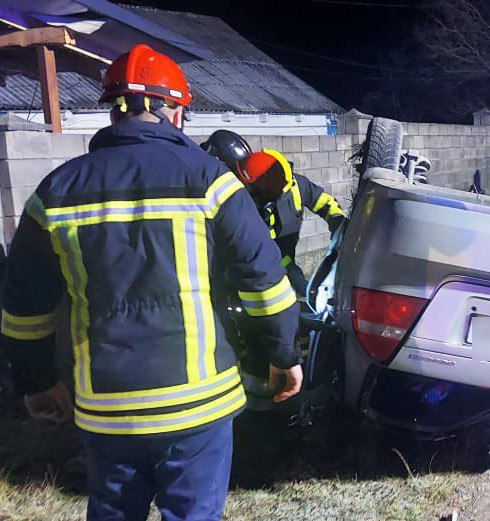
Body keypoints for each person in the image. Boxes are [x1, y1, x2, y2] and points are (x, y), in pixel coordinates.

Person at [0, 44, 301, 521]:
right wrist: (284, 357)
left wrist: (37, 382)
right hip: (197, 405)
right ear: (176, 111)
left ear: (113, 110)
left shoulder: (54, 193)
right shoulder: (212, 181)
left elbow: (24, 308)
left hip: (106, 408)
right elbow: (264, 284)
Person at [236, 149, 346, 295]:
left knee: (297, 287)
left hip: (283, 256)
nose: (250, 190)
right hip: (256, 260)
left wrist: (340, 227)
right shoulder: (248, 198)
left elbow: (326, 203)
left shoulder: (299, 187)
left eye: (254, 186)